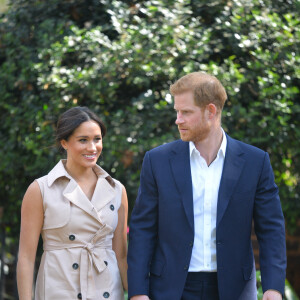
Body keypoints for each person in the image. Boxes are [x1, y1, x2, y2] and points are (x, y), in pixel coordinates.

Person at [127, 72, 286, 300]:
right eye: (177, 112)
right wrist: (138, 292)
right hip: (170, 289)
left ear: (210, 111)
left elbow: (271, 229)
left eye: (186, 112)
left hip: (234, 290)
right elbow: (142, 230)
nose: (178, 120)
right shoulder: (157, 161)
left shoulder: (255, 162)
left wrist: (273, 287)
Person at [17, 106, 128, 300]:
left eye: (97, 139)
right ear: (64, 142)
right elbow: (26, 258)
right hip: (59, 291)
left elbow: (121, 255)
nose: (92, 148)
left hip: (107, 291)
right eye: (83, 140)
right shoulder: (40, 189)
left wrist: (137, 293)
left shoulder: (116, 189)